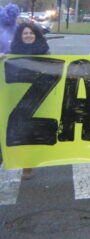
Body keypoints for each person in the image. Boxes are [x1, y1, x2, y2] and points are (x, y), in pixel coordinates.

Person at [2, 23, 50, 179]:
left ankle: (27, 166)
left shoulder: (45, 51)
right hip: (15, 97)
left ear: (36, 35)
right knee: (15, 130)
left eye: (31, 33)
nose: (28, 35)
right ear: (20, 36)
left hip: (37, 97)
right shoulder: (12, 52)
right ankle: (17, 161)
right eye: (25, 33)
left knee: (29, 133)